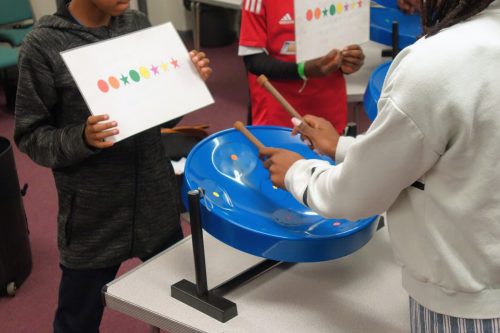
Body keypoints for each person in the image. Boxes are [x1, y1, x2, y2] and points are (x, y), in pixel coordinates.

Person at [260, 0, 500, 331]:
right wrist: (341, 147)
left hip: (467, 307)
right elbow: (464, 157)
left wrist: (297, 173)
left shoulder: (437, 63)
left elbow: (355, 196)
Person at [14, 1, 212, 332]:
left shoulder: (137, 24)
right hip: (93, 216)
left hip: (155, 201)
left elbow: (156, 119)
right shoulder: (44, 44)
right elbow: (30, 136)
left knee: (182, 308)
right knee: (77, 319)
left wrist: (186, 84)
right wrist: (83, 138)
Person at [238, 0, 365, 134]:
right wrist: (302, 70)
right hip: (278, 110)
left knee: (326, 154)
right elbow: (253, 60)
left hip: (328, 106)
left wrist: (352, 59)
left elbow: (344, 41)